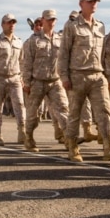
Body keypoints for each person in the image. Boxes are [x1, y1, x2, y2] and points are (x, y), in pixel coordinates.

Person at [58, 0, 110, 162]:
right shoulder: (72, 25)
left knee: (104, 112)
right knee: (75, 113)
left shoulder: (100, 26)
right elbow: (64, 53)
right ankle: (73, 147)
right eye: (90, 1)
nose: (93, 4)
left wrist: (107, 75)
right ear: (81, 3)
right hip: (78, 75)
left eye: (95, 1)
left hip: (97, 75)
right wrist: (64, 76)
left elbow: (104, 53)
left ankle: (109, 147)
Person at [21, 10, 72, 154]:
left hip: (55, 81)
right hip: (37, 81)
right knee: (32, 113)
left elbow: (64, 60)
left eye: (53, 19)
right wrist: (27, 82)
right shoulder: (33, 40)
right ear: (43, 21)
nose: (51, 22)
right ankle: (29, 138)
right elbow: (27, 63)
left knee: (64, 110)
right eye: (49, 19)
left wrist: (65, 77)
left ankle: (69, 140)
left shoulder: (60, 39)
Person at [0, 14, 26, 145]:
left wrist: (22, 77)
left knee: (20, 105)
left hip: (15, 78)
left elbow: (22, 62)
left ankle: (22, 131)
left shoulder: (19, 41)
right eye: (9, 22)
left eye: (13, 23)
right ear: (2, 24)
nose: (11, 25)